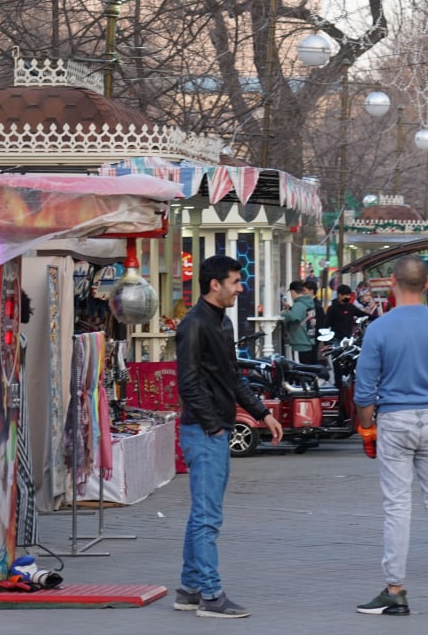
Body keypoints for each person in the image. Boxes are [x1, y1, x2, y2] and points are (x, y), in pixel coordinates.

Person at [353, 256, 428, 618]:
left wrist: (367, 427)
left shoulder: (379, 329)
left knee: (397, 506)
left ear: (392, 281)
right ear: (426, 285)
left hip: (395, 420)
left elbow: (363, 393)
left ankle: (395, 589)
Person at [174, 255, 283, 618]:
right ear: (214, 284)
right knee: (208, 517)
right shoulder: (194, 325)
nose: (241, 287)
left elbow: (232, 376)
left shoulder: (222, 322)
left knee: (202, 514)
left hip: (211, 428)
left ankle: (190, 589)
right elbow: (188, 383)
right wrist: (214, 424)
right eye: (236, 281)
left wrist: (262, 413)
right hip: (204, 431)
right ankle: (210, 595)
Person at [281, 280, 317, 364]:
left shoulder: (299, 304)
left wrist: (283, 313)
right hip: (307, 341)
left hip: (300, 343)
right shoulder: (307, 303)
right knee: (306, 370)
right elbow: (302, 315)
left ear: (292, 291)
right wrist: (290, 308)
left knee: (300, 370)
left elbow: (294, 317)